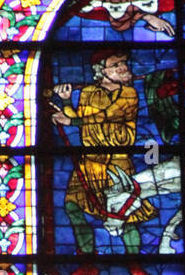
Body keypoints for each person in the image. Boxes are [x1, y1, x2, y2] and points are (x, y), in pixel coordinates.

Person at [51, 50, 156, 253]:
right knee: (72, 206)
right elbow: (78, 117)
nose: (122, 67)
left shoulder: (128, 93)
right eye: (116, 65)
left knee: (128, 213)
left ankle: (134, 262)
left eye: (123, 63)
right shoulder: (88, 92)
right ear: (101, 70)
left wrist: (72, 120)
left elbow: (108, 115)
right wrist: (65, 101)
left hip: (117, 161)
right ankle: (87, 258)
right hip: (89, 159)